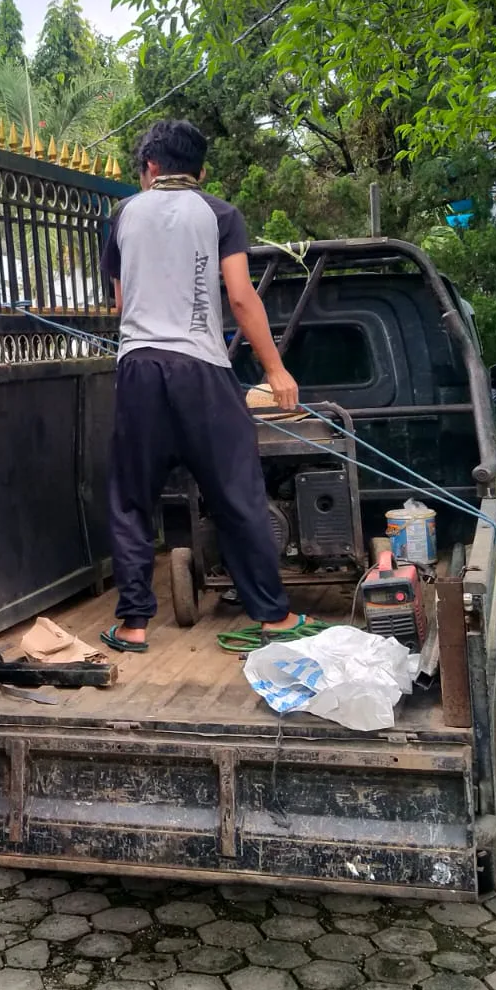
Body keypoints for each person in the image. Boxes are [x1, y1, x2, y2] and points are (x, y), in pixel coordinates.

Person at [98, 117, 321, 653]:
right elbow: (241, 297)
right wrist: (275, 370)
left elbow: (122, 304)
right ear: (200, 170)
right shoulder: (219, 213)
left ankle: (132, 624)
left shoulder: (123, 214)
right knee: (236, 492)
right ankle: (272, 616)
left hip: (139, 368)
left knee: (131, 499)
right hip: (201, 368)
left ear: (149, 167)